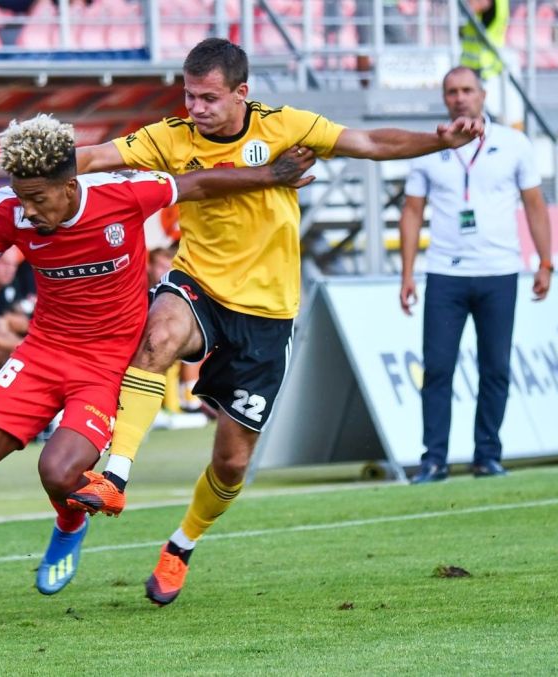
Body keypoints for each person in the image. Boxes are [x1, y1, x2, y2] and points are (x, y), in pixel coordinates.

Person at [0, 113, 318, 630]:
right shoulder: (9, 210)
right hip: (41, 353)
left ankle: (69, 525)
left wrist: (271, 176)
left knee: (60, 472)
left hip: (105, 366)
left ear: (70, 186)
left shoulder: (123, 195)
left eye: (37, 198)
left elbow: (196, 183)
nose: (28, 210)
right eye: (22, 197)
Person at [68, 37, 484, 607]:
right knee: (156, 336)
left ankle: (181, 544)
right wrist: (39, 159)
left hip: (267, 313)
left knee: (231, 462)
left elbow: (367, 142)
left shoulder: (284, 126)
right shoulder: (170, 136)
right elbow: (94, 158)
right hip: (200, 283)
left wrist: (438, 141)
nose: (196, 108)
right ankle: (115, 476)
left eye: (209, 98)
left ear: (241, 92)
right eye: (190, 96)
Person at [398, 66, 552, 484]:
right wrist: (407, 273)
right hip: (445, 273)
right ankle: (434, 459)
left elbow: (535, 205)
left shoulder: (515, 143)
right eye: (452, 91)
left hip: (499, 271)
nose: (460, 97)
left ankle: (487, 455)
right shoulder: (430, 146)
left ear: (483, 95)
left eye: (467, 89)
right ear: (444, 98)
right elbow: (412, 212)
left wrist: (545, 261)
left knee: (495, 368)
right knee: (438, 368)